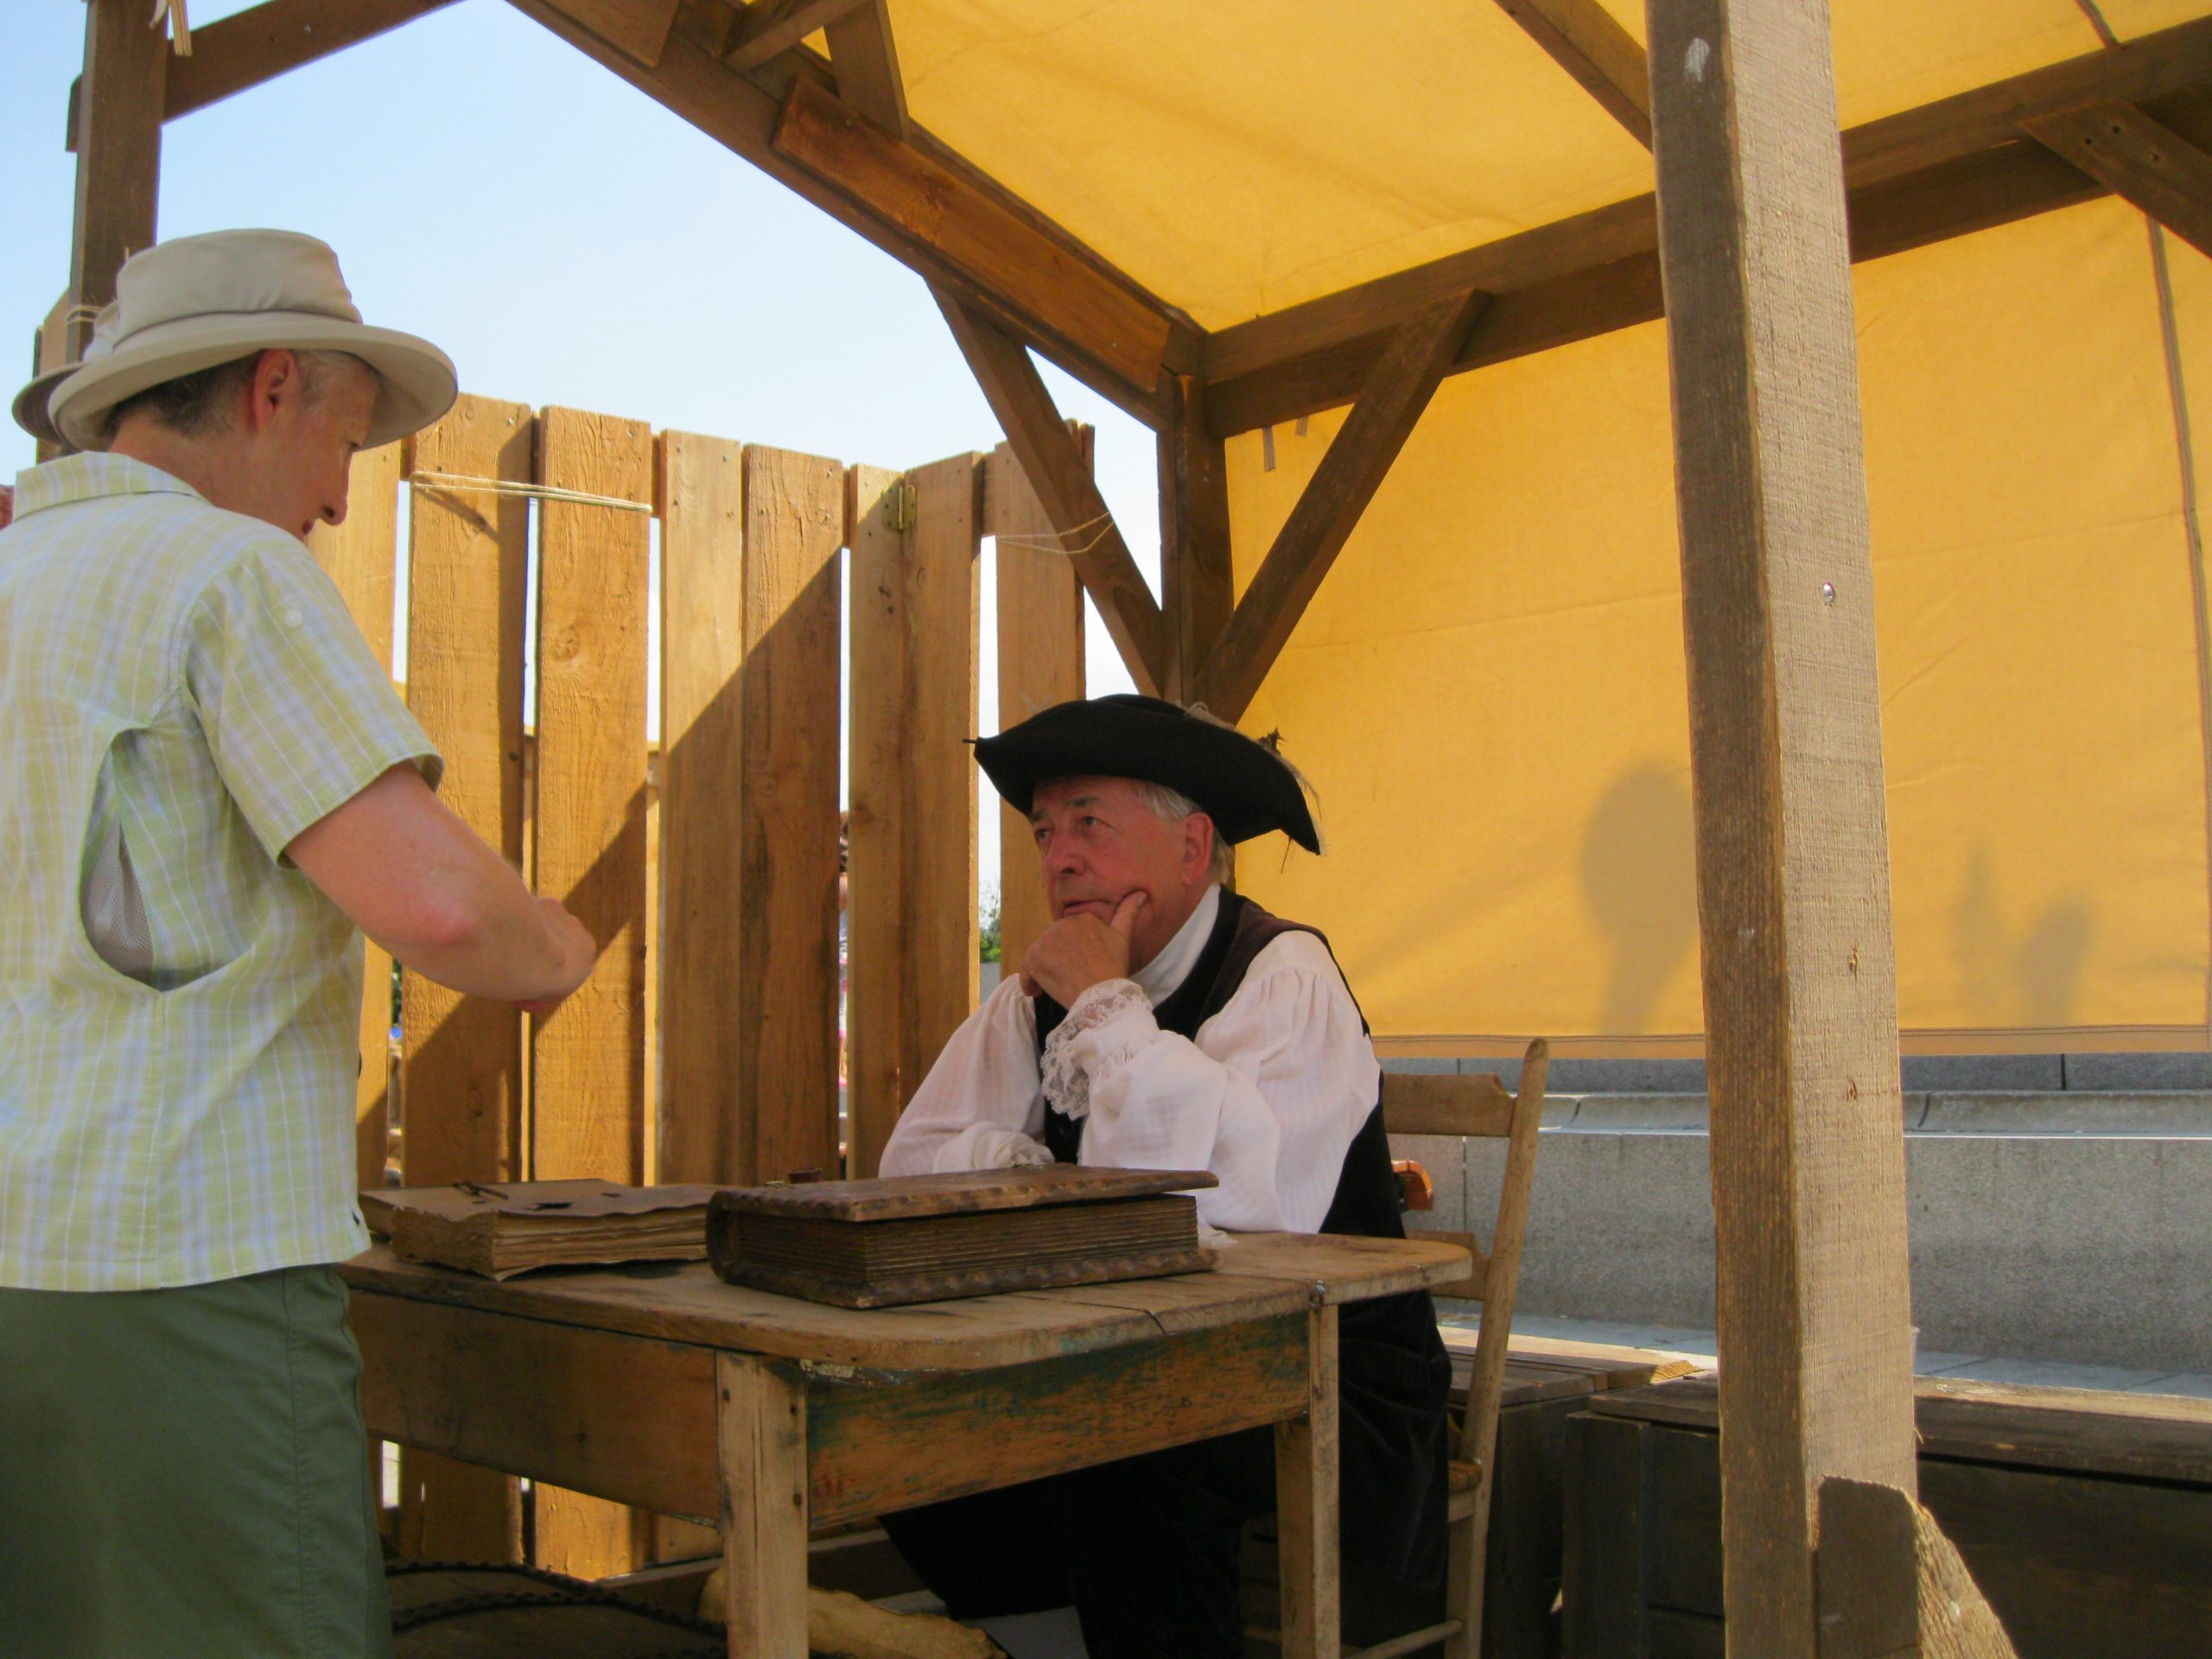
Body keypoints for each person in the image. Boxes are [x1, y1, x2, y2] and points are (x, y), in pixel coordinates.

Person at [0, 230, 598, 1659]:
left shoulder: (19, 574)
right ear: (272, 389)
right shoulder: (224, 572)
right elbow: (446, 912)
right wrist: (564, 946)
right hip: (186, 1274)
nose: (340, 496)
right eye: (343, 435)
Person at [877, 694, 1452, 1659]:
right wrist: (1026, 1168)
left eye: (1089, 823)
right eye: (1044, 831)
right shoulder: (1040, 997)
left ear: (1191, 849)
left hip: (1329, 1386)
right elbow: (915, 1163)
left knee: (1123, 1443)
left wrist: (1109, 1009)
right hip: (1137, 1365)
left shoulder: (1283, 975)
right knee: (910, 1432)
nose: (1058, 857)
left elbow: (1222, 1210)